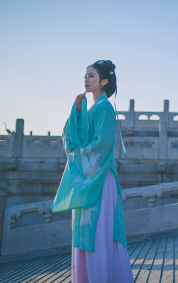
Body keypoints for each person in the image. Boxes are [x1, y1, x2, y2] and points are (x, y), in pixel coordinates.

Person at [52, 60, 133, 282]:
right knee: (88, 232)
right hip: (87, 178)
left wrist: (77, 160)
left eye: (91, 76)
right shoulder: (92, 107)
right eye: (85, 76)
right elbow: (71, 139)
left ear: (104, 81)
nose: (86, 79)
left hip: (99, 178)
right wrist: (78, 111)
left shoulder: (105, 107)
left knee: (98, 233)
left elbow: (102, 145)